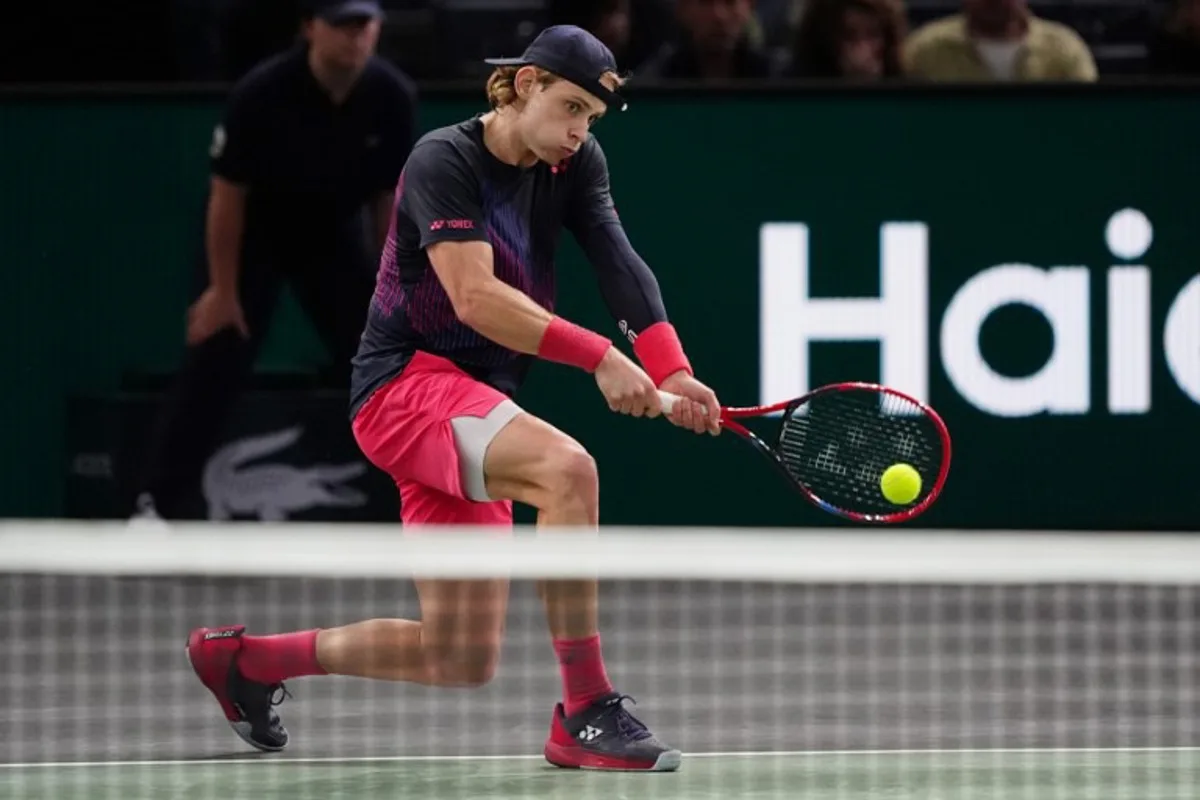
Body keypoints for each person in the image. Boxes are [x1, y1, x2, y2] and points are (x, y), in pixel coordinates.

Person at [185, 24, 721, 772]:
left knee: (458, 654)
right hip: (404, 387)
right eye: (569, 108)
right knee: (568, 473)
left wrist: (670, 368)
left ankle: (245, 662)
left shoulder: (576, 165)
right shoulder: (444, 158)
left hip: (474, 405)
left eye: (589, 120)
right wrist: (600, 356)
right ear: (527, 84)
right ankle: (587, 709)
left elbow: (617, 261)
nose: (577, 131)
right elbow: (473, 298)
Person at [133, 0, 418, 521]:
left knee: (386, 364)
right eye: (342, 25)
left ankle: (416, 509)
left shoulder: (391, 97)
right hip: (252, 238)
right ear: (309, 27)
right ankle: (156, 509)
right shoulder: (261, 93)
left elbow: (386, 204)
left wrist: (389, 290)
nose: (356, 37)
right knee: (213, 360)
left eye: (365, 25)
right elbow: (227, 196)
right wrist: (222, 291)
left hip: (331, 236)